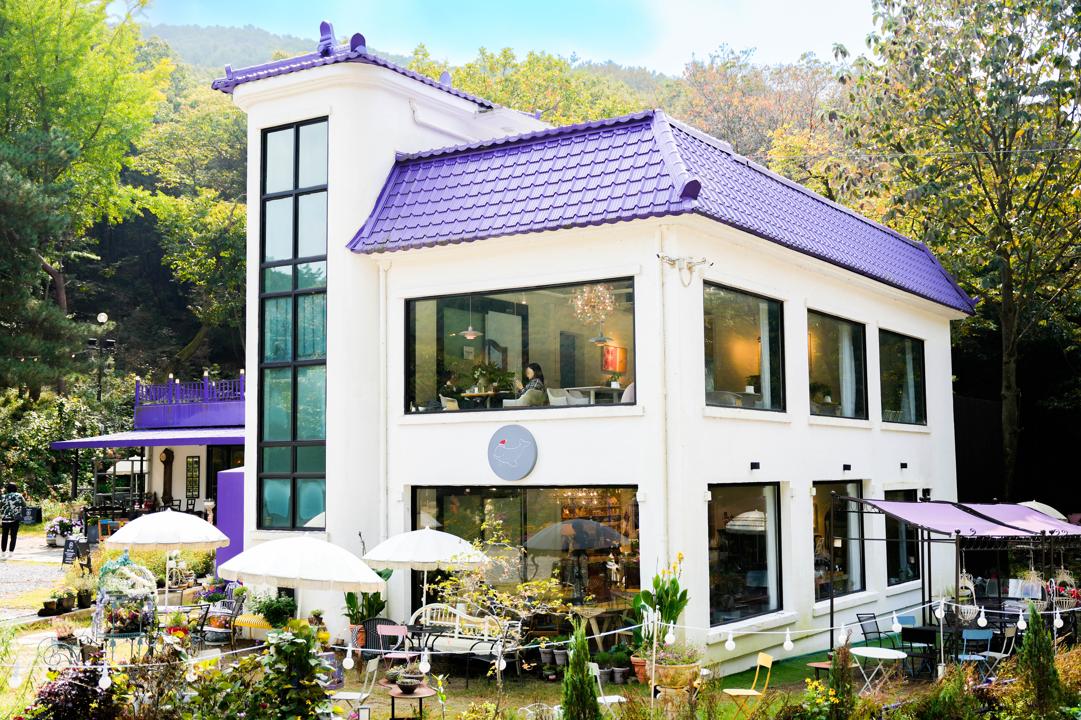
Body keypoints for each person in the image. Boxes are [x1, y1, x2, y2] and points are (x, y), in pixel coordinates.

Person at [1, 482, 26, 557]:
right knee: (13, 535)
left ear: (7, 489)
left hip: (5, 519)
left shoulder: (3, 496)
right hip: (15, 519)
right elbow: (24, 505)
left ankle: (3, 552)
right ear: (15, 488)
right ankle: (11, 552)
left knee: (4, 535)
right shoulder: (19, 496)